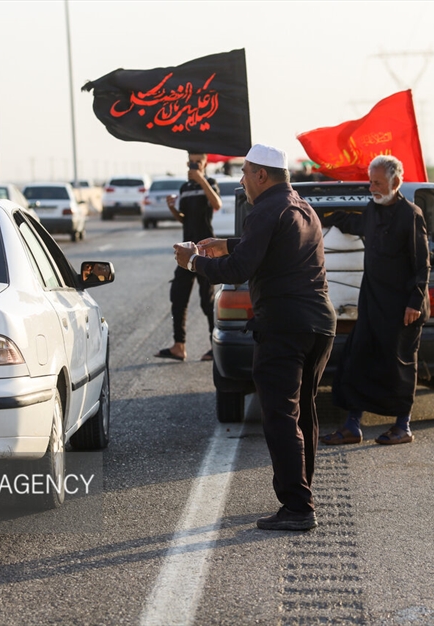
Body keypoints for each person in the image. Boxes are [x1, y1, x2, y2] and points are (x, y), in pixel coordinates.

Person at [174, 144, 336, 531]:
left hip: (283, 326)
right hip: (318, 325)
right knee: (303, 412)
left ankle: (297, 507)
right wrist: (224, 244)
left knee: (280, 415)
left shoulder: (263, 209)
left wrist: (194, 261)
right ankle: (302, 495)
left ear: (262, 175)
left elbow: (241, 267)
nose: (243, 180)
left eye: (245, 173)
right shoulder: (300, 206)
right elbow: (270, 249)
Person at [318, 155, 430, 446]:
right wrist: (319, 216)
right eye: (371, 182)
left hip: (404, 306)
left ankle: (402, 426)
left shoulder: (411, 214)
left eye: (378, 183)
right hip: (373, 300)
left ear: (397, 182)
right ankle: (352, 425)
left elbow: (423, 264)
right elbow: (355, 224)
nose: (372, 188)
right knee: (358, 359)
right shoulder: (373, 209)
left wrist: (415, 302)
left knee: (399, 364)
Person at [154, 152, 222, 362]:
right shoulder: (184, 188)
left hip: (204, 249)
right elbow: (184, 219)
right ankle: (178, 346)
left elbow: (217, 204)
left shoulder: (209, 182)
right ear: (187, 162)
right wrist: (172, 208)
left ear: (204, 163)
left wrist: (200, 178)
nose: (194, 164)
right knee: (178, 296)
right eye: (191, 161)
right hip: (186, 248)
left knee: (206, 300)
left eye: (198, 161)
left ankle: (215, 347)